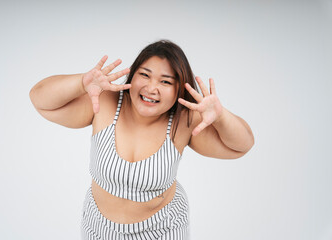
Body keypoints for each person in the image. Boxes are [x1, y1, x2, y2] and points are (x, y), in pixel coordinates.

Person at [29, 40, 254, 240]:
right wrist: (81, 82)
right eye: (144, 75)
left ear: (179, 90)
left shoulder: (183, 120)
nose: (151, 88)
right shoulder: (105, 103)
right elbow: (40, 98)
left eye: (165, 82)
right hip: (99, 228)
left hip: (163, 230)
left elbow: (242, 146)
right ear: (132, 75)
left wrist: (222, 116)